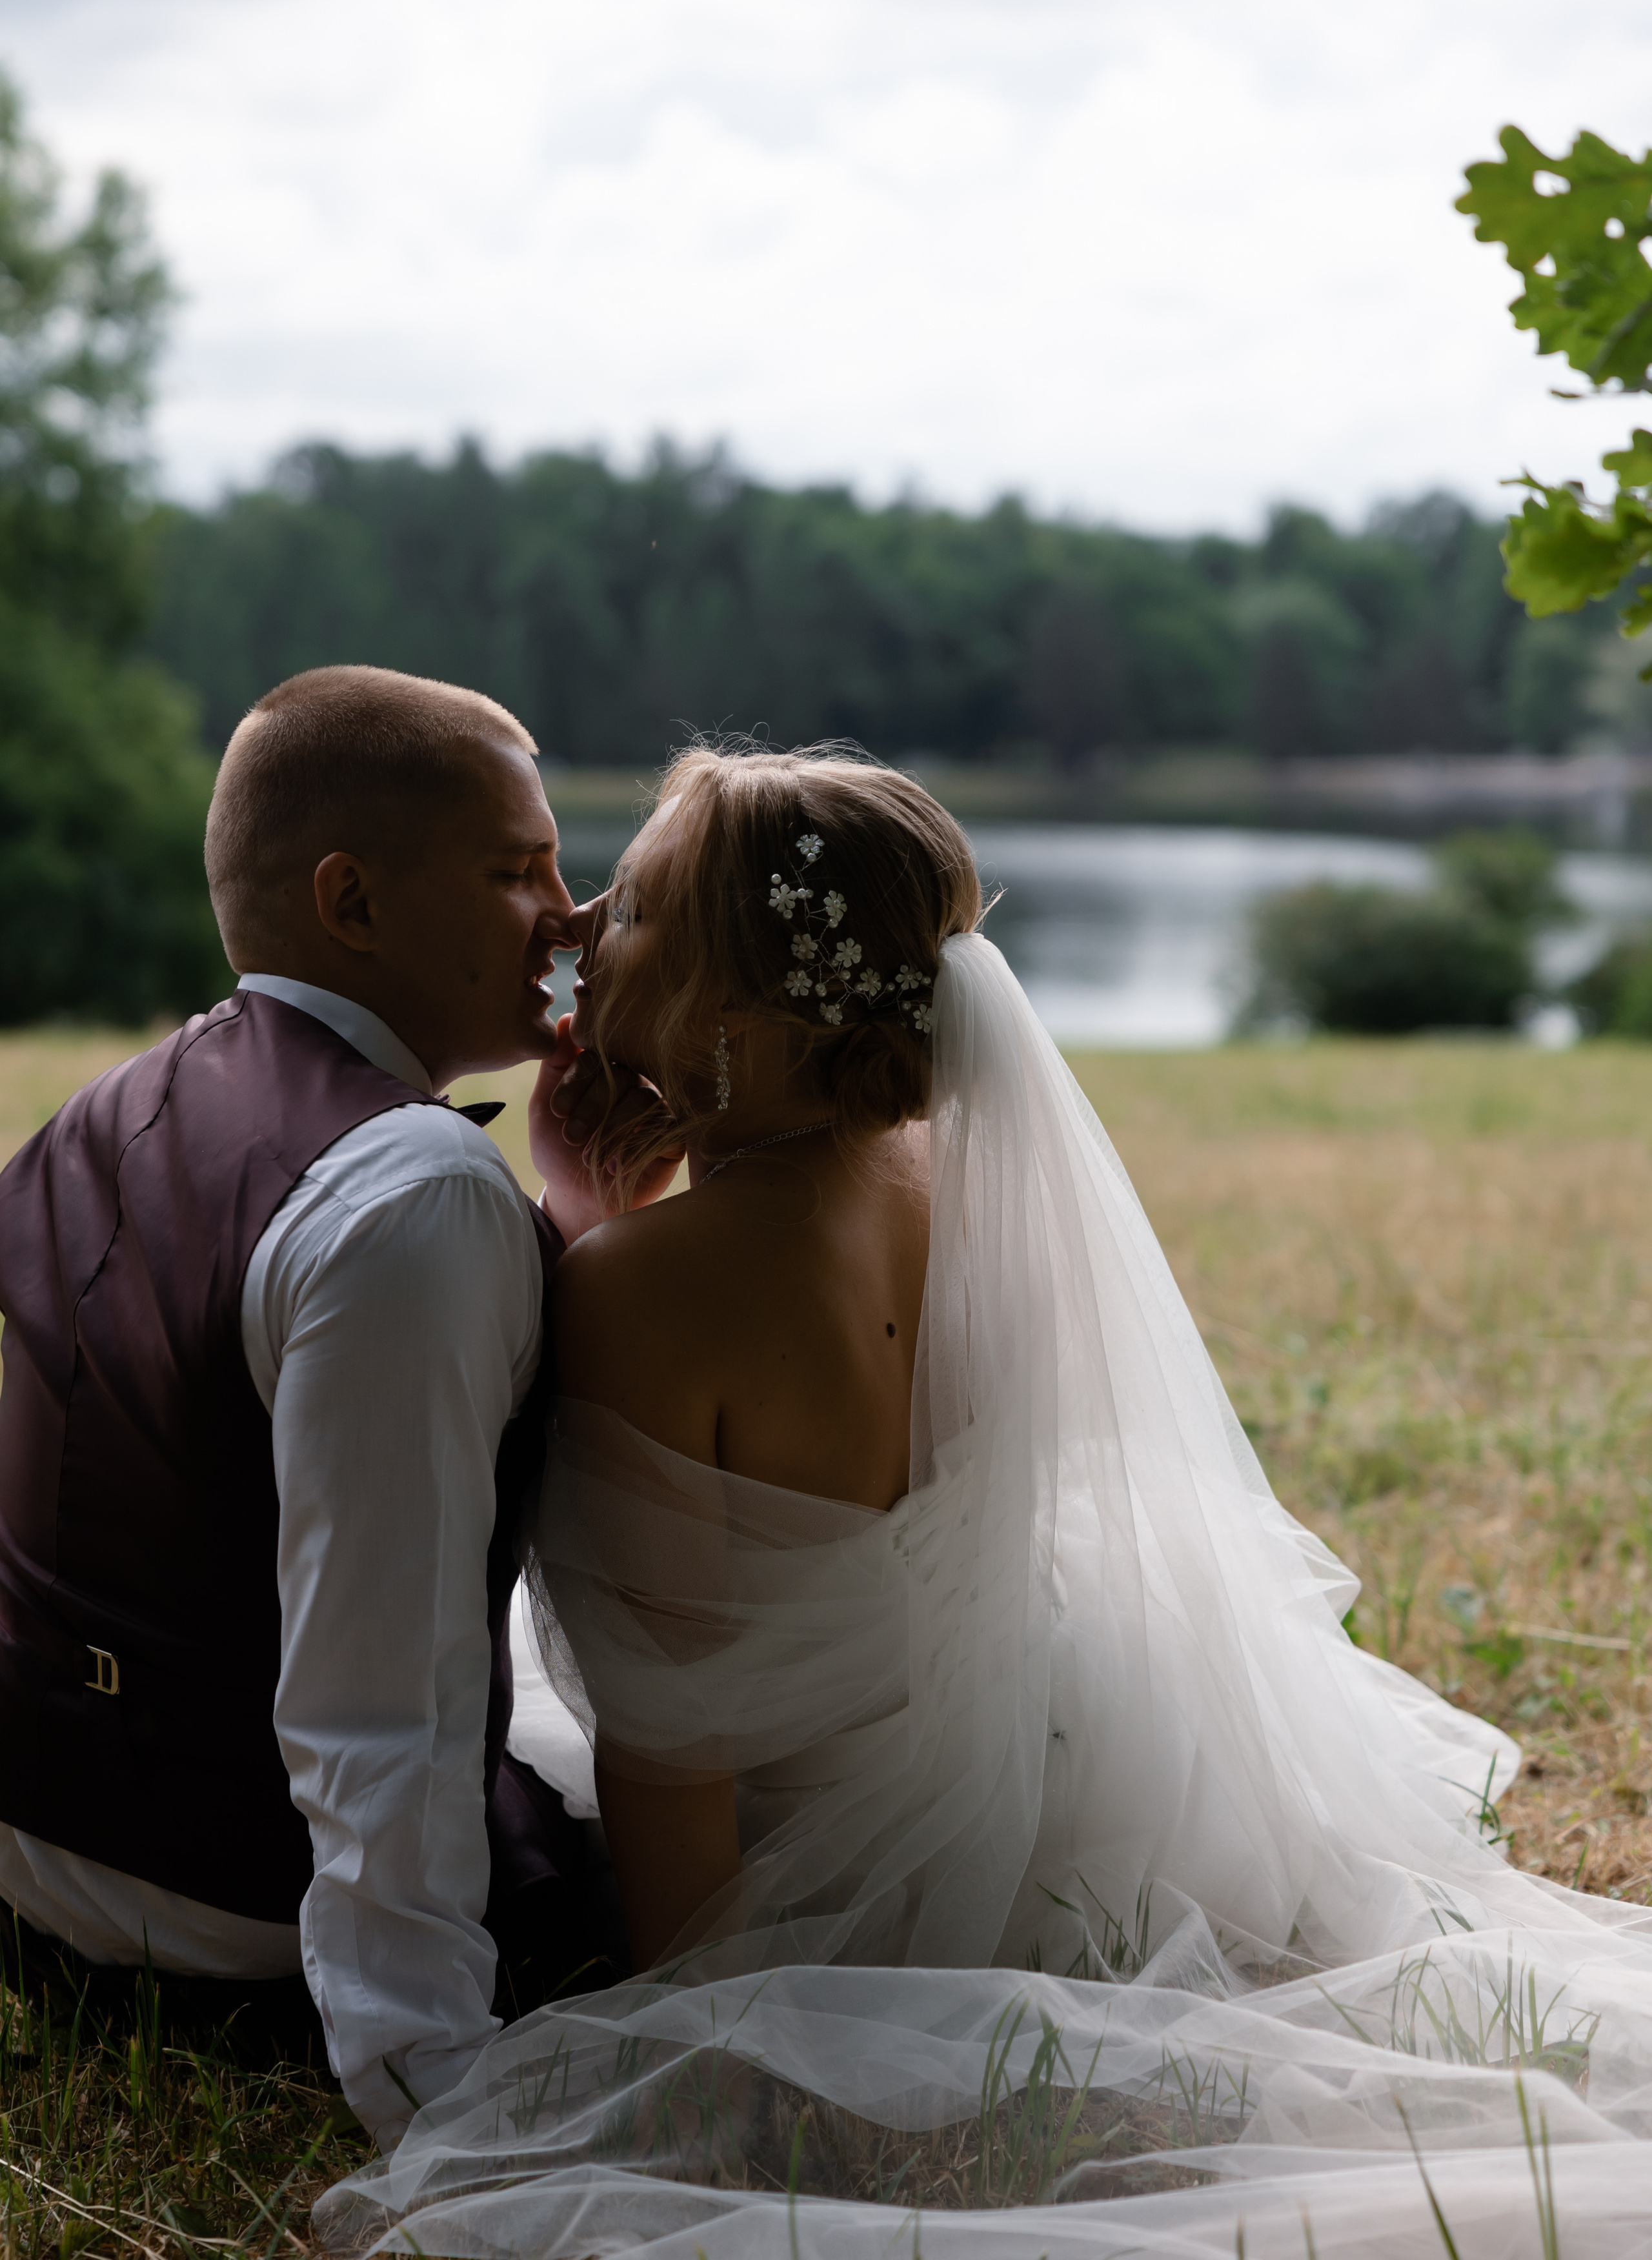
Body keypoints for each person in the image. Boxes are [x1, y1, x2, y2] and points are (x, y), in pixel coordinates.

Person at [331, 743, 1652, 2260]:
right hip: (1049, 1778)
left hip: (821, 1866)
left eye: (627, 913)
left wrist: (710, 2033)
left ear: (737, 1011)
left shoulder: (648, 1290)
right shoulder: (953, 1182)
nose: (571, 937)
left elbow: (669, 1741)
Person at [0, 665, 672, 2146]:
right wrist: (430, 2077)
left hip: (38, 1842)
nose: (574, 916)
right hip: (234, 1893)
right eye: (518, 871)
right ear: (352, 904)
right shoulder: (416, 1193)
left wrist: (575, 1204)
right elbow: (386, 1701)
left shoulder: (105, 1106)